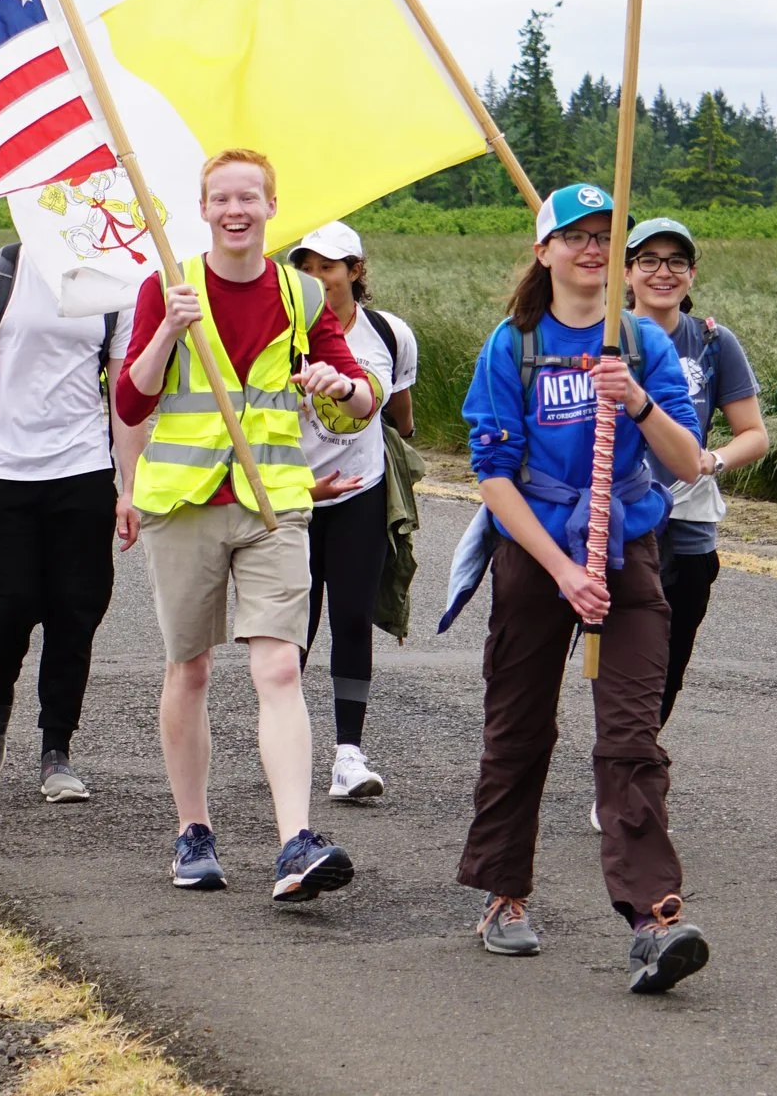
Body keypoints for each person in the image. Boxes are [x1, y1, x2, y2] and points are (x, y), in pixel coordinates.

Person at [445, 182, 710, 992]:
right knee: (519, 726)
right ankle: (505, 893)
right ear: (544, 250)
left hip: (627, 549)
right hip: (537, 552)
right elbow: (491, 475)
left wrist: (633, 399)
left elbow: (687, 460)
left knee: (631, 737)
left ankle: (650, 917)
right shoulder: (512, 344)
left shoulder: (640, 342)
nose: (593, 248)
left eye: (605, 236)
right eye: (576, 236)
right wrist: (562, 570)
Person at [114, 149, 376, 902]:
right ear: (203, 209)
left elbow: (355, 398)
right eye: (221, 198)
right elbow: (131, 402)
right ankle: (193, 830)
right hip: (184, 503)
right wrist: (166, 329)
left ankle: (295, 841)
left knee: (280, 667)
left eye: (249, 198)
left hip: (272, 504)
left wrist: (343, 385)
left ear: (270, 206)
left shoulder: (300, 292)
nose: (236, 210)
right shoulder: (167, 287)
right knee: (189, 667)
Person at [0, 239, 131, 804]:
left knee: (77, 610)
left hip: (83, 469)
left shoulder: (113, 286)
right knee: (9, 604)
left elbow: (122, 394)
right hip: (3, 473)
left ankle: (56, 751)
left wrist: (131, 486)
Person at [286, 221, 418, 803]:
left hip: (360, 493)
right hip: (294, 494)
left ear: (356, 270)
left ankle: (348, 754)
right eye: (305, 268)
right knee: (293, 627)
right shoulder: (278, 332)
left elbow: (402, 417)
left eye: (328, 267)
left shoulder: (389, 335)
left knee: (351, 618)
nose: (316, 278)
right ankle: (287, 746)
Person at [624, 217, 769, 726]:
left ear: (692, 274)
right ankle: (620, 748)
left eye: (676, 262)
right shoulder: (600, 336)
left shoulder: (712, 342)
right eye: (648, 261)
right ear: (627, 272)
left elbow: (754, 433)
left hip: (686, 520)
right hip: (612, 515)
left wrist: (713, 459)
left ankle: (635, 751)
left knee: (668, 652)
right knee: (613, 648)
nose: (663, 273)